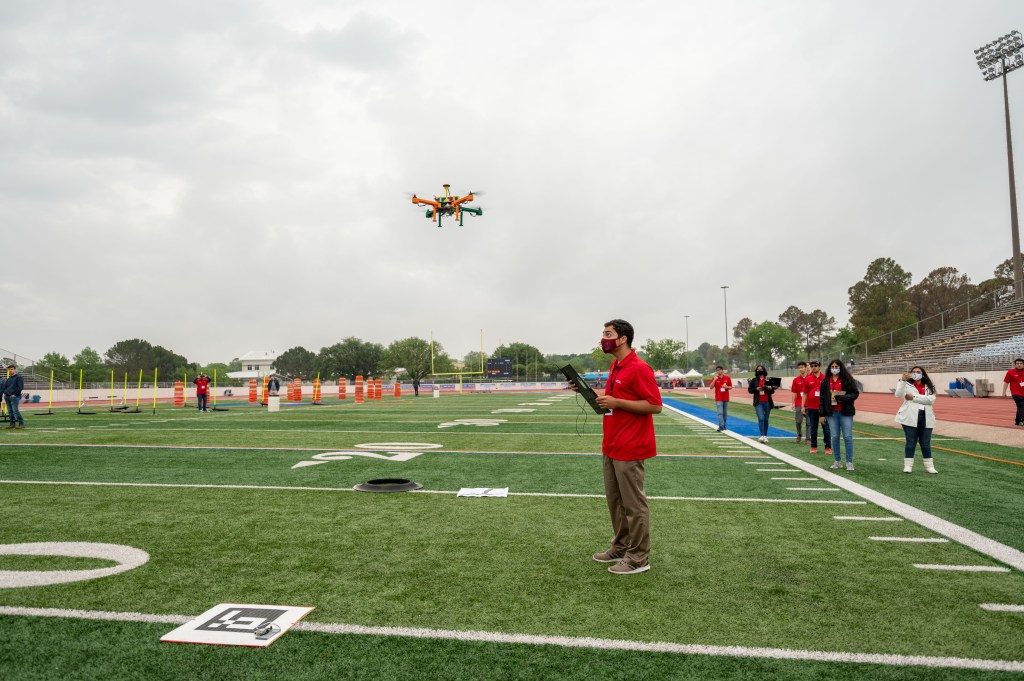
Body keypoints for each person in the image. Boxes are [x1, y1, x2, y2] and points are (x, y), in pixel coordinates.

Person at [581, 319, 662, 576]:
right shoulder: (615, 365)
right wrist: (585, 392)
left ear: (623, 338)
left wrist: (617, 401)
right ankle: (621, 546)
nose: (603, 338)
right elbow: (611, 404)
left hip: (631, 445)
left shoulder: (639, 368)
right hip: (612, 444)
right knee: (615, 501)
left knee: (633, 504)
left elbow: (655, 405)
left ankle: (639, 557)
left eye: (608, 334)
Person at [895, 366, 938, 474]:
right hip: (909, 416)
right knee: (911, 442)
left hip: (926, 416)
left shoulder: (930, 386)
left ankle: (930, 467)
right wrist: (902, 381)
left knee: (925, 443)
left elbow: (931, 400)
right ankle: (908, 466)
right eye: (913, 372)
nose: (915, 373)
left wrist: (913, 397)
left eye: (918, 372)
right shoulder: (907, 384)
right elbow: (898, 394)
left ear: (922, 374)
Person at [819, 359, 859, 471]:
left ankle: (849, 462)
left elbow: (855, 393)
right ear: (830, 368)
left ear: (841, 367)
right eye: (833, 366)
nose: (835, 368)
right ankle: (837, 461)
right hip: (831, 413)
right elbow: (822, 399)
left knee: (847, 436)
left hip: (845, 412)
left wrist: (841, 398)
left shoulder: (847, 379)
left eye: (837, 366)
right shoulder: (826, 381)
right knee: (835, 437)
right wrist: (822, 414)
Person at [801, 360, 832, 455]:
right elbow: (805, 393)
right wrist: (802, 406)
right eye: (812, 365)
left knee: (826, 428)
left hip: (824, 408)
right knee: (813, 428)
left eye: (815, 365)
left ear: (820, 366)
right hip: (811, 407)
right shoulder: (808, 379)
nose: (813, 367)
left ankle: (828, 447)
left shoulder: (826, 378)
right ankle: (813, 447)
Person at [747, 364, 775, 443]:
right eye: (758, 369)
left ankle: (765, 436)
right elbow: (750, 390)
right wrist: (756, 389)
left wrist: (770, 388)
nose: (759, 371)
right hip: (758, 402)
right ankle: (761, 435)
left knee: (766, 419)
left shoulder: (768, 379)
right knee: (761, 417)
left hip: (767, 402)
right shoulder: (754, 380)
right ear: (756, 371)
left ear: (764, 370)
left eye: (761, 369)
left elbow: (772, 391)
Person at [1001, 357, 1024, 427]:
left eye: (1021, 363)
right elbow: (1006, 382)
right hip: (1016, 393)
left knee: (1020, 407)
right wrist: (1003, 392)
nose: (1019, 365)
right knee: (1021, 405)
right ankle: (1023, 419)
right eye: (1017, 363)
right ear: (1015, 364)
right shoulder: (1010, 372)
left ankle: (1017, 421)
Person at [709, 365, 733, 431]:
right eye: (717, 370)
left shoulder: (727, 378)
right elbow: (711, 387)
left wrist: (727, 387)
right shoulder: (714, 378)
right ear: (716, 371)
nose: (719, 371)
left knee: (725, 413)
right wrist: (714, 380)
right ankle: (721, 426)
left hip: (725, 397)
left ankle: (724, 425)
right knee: (720, 413)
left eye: (720, 369)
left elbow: (731, 387)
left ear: (722, 370)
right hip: (718, 398)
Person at [791, 361, 809, 444]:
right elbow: (794, 392)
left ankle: (808, 438)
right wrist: (793, 403)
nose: (801, 369)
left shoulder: (810, 378)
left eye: (802, 367)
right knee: (798, 421)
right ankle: (799, 434)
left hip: (809, 403)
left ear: (806, 368)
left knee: (809, 422)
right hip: (799, 403)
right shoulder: (796, 380)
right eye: (799, 367)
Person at [3, 364, 25, 429]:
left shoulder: (19, 377)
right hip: (7, 397)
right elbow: (6, 387)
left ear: (15, 370)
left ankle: (21, 424)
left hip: (14, 397)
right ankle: (12, 424)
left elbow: (21, 387)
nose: (10, 370)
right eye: (9, 369)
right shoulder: (8, 378)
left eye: (11, 369)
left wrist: (15, 394)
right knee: (10, 411)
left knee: (15, 410)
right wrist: (5, 393)